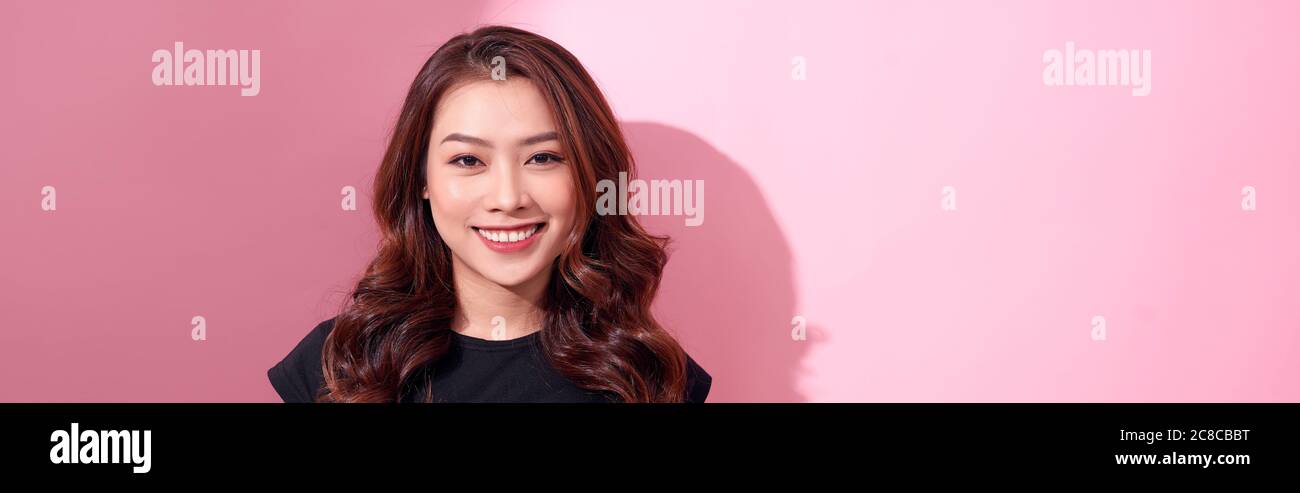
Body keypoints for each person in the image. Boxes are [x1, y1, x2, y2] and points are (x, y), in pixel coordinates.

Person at [268, 25, 711, 403]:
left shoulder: (649, 374)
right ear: (421, 179)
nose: (507, 197)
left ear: (590, 177)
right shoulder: (341, 363)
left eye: (543, 158)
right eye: (468, 161)